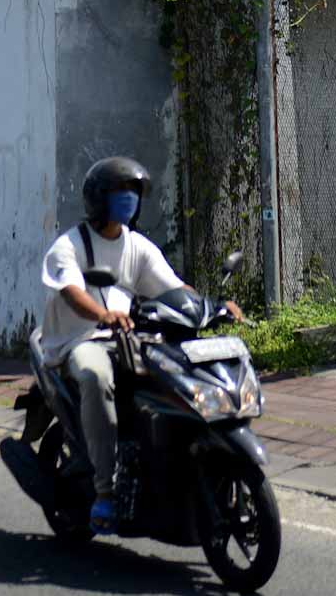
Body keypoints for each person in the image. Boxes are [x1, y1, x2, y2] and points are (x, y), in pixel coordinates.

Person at [40, 157, 241, 534]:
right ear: (99, 198)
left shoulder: (138, 246)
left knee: (176, 378)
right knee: (96, 377)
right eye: (121, 192)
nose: (129, 199)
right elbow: (71, 293)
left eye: (133, 193)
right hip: (79, 340)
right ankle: (105, 492)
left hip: (131, 338)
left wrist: (212, 308)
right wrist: (103, 315)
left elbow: (174, 288)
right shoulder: (69, 246)